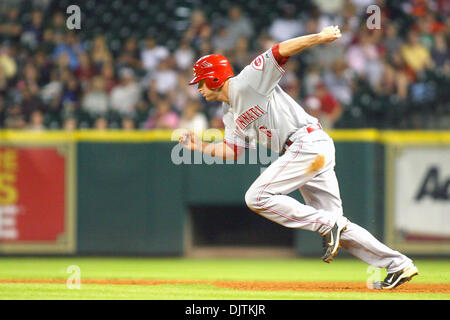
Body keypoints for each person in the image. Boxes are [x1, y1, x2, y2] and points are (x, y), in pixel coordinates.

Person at [180, 26, 418, 290]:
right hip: (308, 151)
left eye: (200, 81)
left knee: (257, 197)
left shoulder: (248, 80)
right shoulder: (230, 112)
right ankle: (398, 264)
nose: (198, 88)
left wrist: (320, 37)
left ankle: (331, 223)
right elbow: (233, 150)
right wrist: (200, 146)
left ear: (214, 79)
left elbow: (279, 51)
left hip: (307, 143)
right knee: (340, 228)